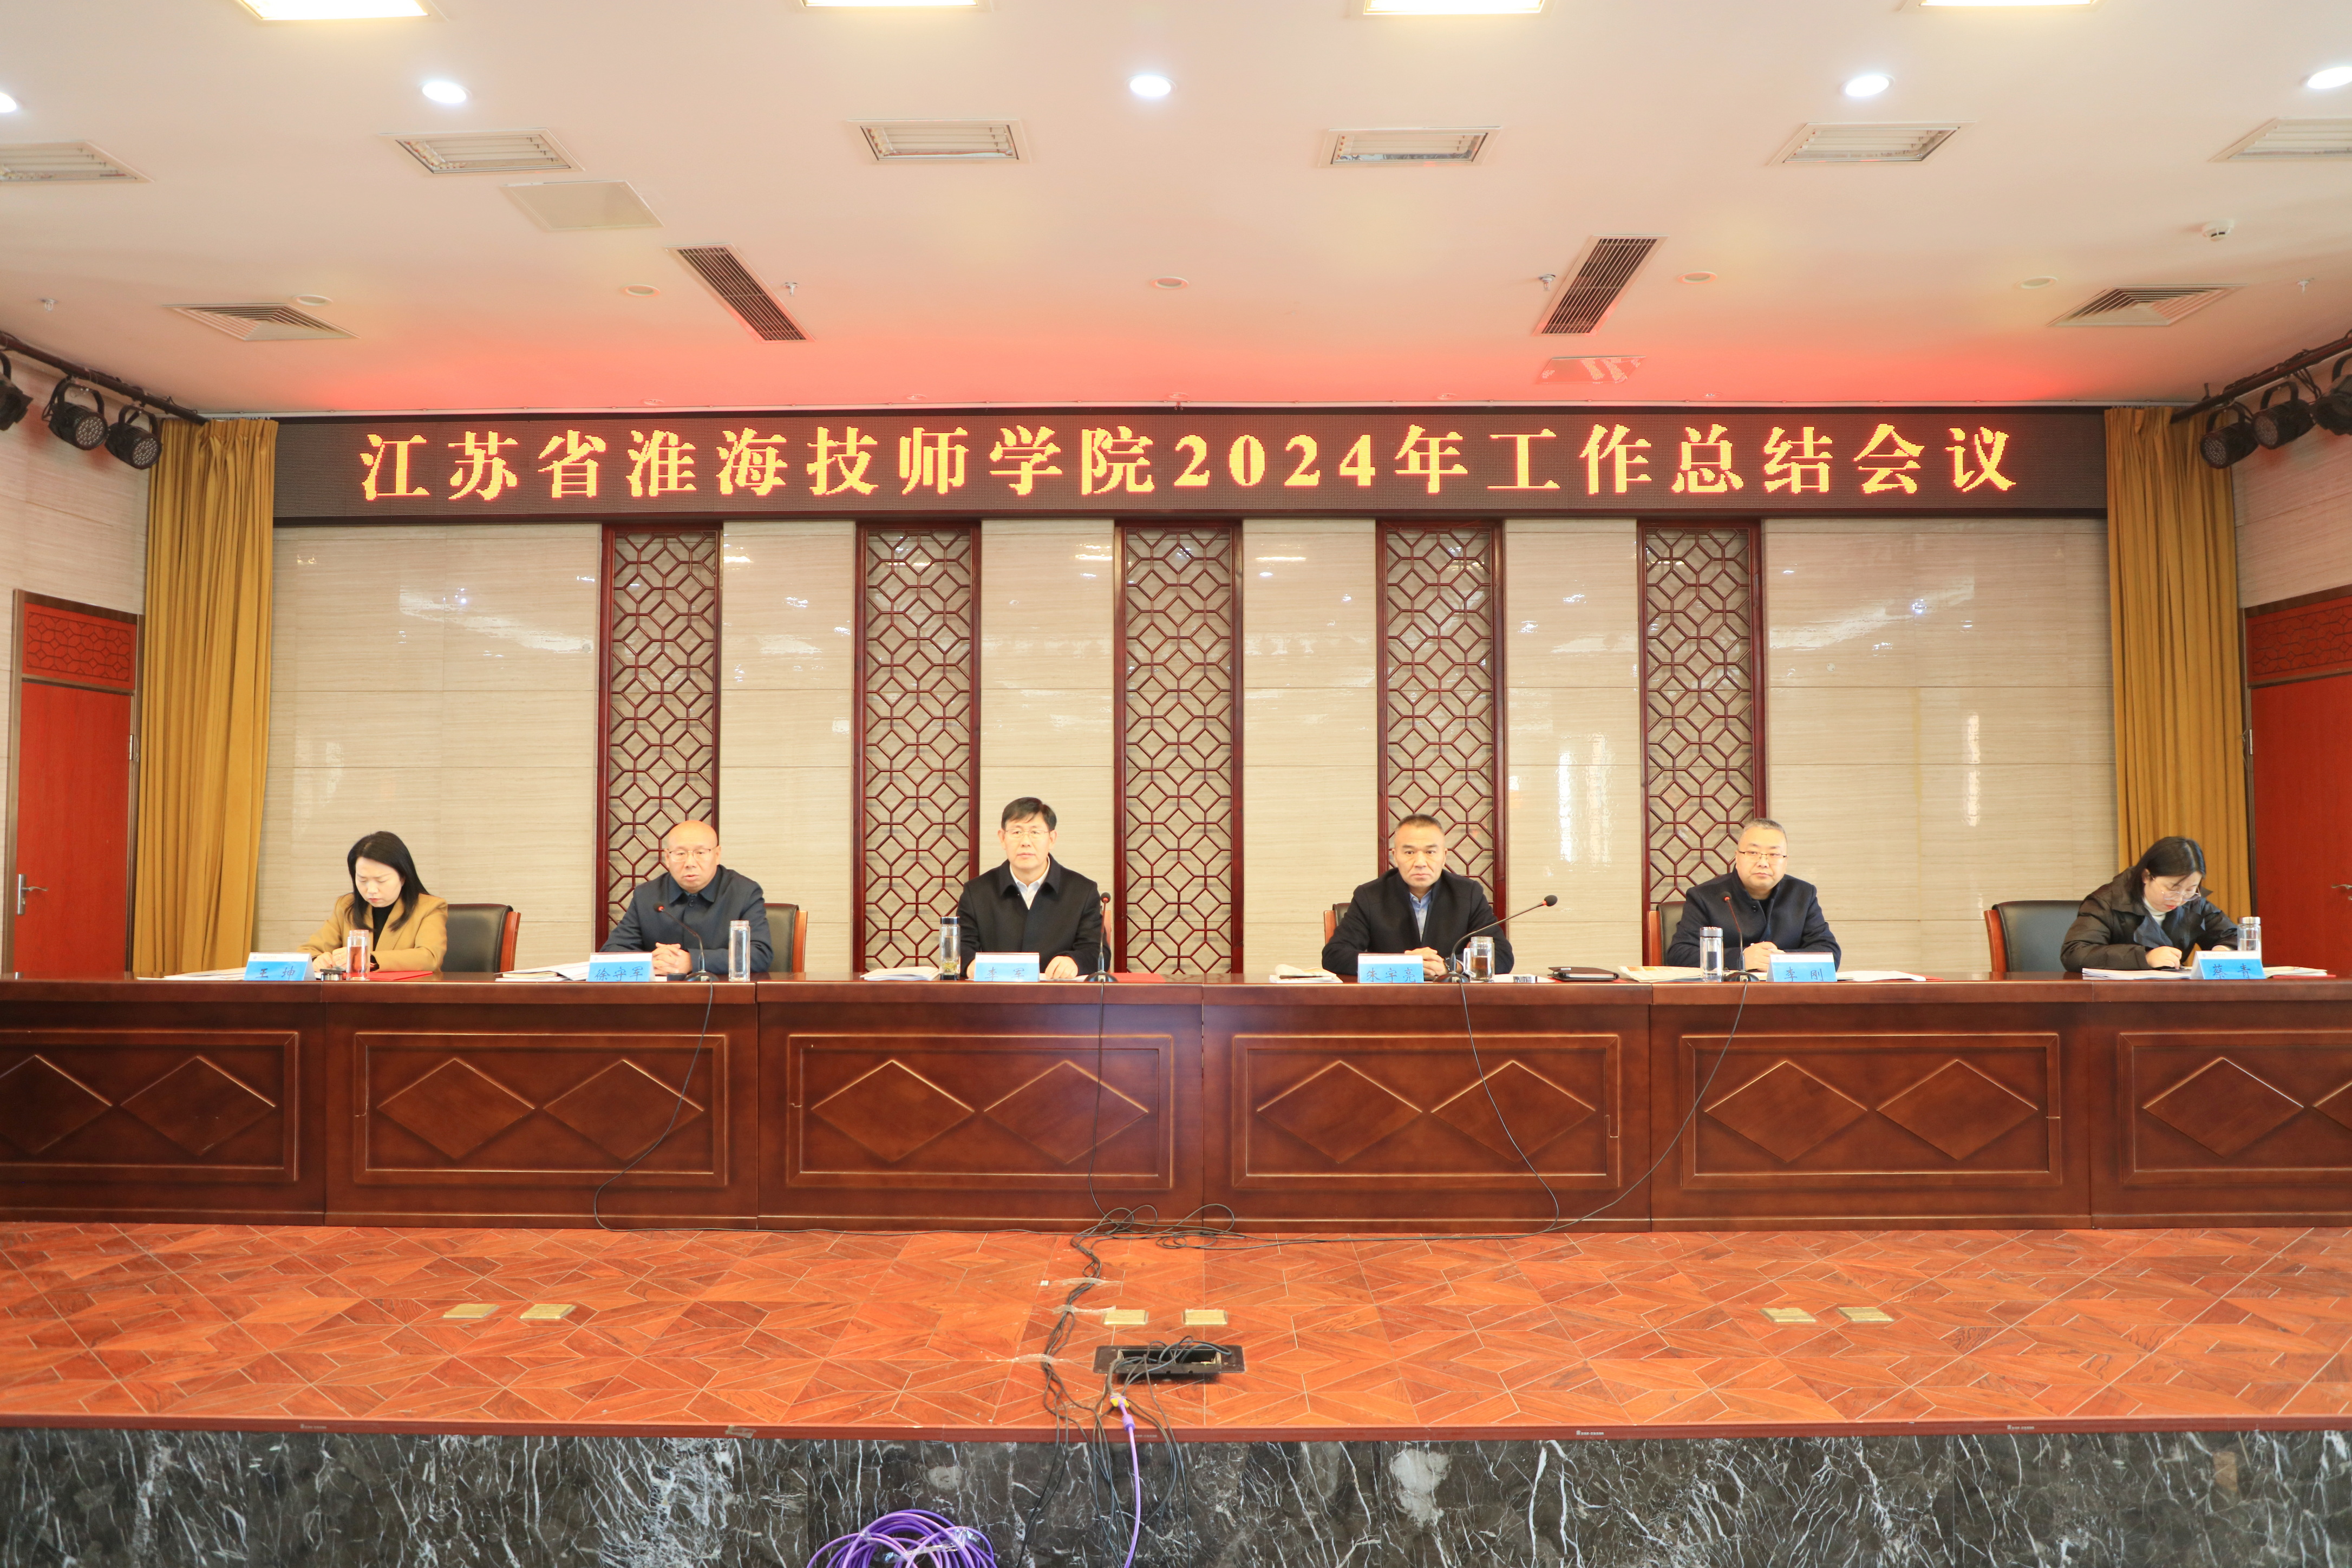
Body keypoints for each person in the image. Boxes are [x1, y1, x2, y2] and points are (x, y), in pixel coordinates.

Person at [1322, 814, 1513, 979]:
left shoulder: (1468, 893)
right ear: (1395, 856)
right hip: (1390, 999)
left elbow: (1502, 955)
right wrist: (1405, 964)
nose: (1420, 862)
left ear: (1444, 856)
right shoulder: (1369, 895)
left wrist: (1451, 966)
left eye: (1430, 852)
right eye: (1409, 852)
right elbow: (1334, 955)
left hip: (1452, 1000)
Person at [953, 798, 1106, 979]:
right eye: (1017, 832)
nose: (1025, 841)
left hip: (1058, 994)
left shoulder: (1082, 891)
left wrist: (1074, 961)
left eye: (1035, 832)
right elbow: (960, 947)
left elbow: (1096, 950)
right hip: (997, 991)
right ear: (1002, 838)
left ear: (1051, 839)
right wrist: (970, 964)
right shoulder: (977, 892)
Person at [1664, 817, 1840, 971]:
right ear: (1737, 857)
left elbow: (1830, 954)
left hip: (1786, 996)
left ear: (1785, 862)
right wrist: (1741, 958)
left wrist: (1781, 960)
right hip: (1727, 996)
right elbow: (1679, 955)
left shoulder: (1803, 894)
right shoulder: (1704, 896)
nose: (1763, 862)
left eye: (1774, 854)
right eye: (1753, 853)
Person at [604, 819, 773, 976]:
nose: (690, 863)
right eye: (680, 854)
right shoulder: (647, 895)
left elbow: (759, 955)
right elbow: (612, 951)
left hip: (720, 995)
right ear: (667, 858)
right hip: (661, 994)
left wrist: (694, 961)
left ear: (717, 855)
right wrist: (651, 962)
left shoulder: (744, 892)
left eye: (700, 852)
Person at [2060, 835, 2240, 972]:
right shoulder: (2106, 902)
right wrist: (2145, 957)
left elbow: (2234, 936)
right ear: (2146, 876)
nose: (2179, 899)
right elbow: (2075, 953)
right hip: (2117, 998)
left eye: (2190, 890)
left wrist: (2223, 950)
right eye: (2172, 888)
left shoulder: (2193, 903)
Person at [301, 831, 448, 974]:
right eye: (362, 880)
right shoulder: (346, 906)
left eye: (381, 880)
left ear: (403, 877)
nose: (371, 890)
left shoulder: (429, 907)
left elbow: (430, 957)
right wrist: (317, 960)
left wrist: (369, 959)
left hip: (407, 990)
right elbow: (308, 951)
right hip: (353, 989)